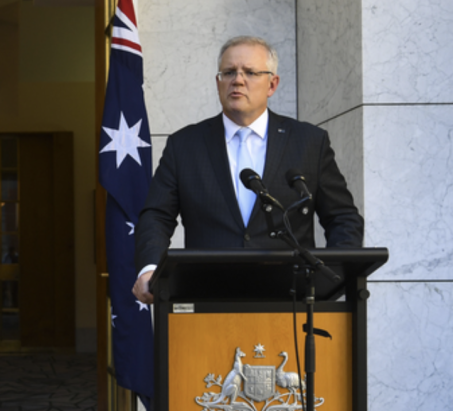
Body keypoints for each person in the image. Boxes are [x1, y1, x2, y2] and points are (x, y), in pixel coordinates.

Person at [132, 36, 363, 304]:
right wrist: (150, 269)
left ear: (272, 84)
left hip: (290, 303)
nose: (238, 80)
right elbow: (157, 217)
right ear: (218, 82)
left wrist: (334, 275)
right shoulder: (184, 145)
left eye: (250, 73)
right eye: (229, 72)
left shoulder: (309, 142)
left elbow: (343, 217)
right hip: (207, 300)